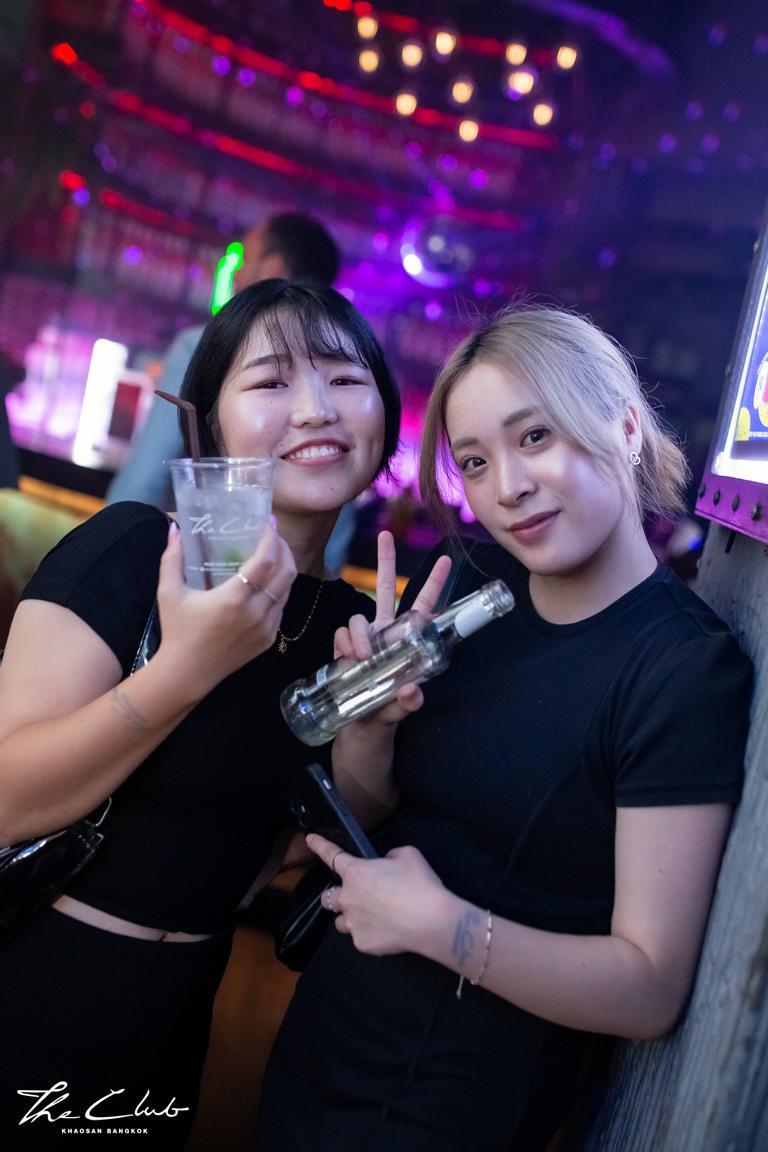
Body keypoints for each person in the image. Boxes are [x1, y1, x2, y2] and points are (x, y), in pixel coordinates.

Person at [257, 304, 752, 1151]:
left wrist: (442, 928)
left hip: (456, 1101)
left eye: (535, 438)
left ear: (626, 427)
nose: (506, 489)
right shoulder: (468, 584)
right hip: (327, 1037)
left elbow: (649, 987)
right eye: (476, 462)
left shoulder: (682, 669)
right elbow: (369, 813)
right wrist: (372, 721)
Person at [0, 279, 400, 1148]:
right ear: (210, 423)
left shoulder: (347, 625)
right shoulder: (133, 550)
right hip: (32, 978)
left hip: (176, 1020)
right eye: (272, 382)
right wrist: (188, 667)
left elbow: (326, 827)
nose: (316, 408)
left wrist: (372, 723)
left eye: (345, 378)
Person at [106, 212, 341, 510]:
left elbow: (144, 479)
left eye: (244, 261)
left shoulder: (201, 348)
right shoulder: (338, 369)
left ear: (271, 268)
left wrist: (110, 533)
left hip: (206, 536)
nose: (235, 275)